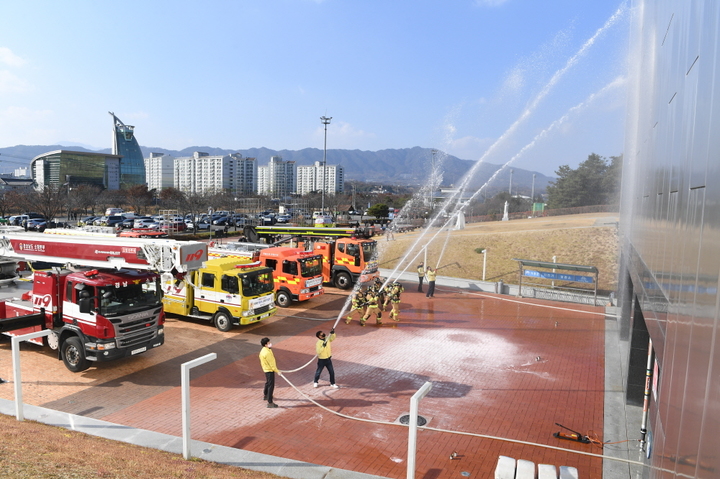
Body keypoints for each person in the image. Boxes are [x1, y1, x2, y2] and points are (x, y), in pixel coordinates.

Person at [259, 337, 281, 408]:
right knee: (271, 385)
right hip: (269, 370)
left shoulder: (264, 350)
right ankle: (270, 402)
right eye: (268, 343)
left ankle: (266, 395)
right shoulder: (267, 353)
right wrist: (277, 371)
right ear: (265, 344)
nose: (270, 343)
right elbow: (272, 364)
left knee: (268, 383)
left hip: (266, 369)